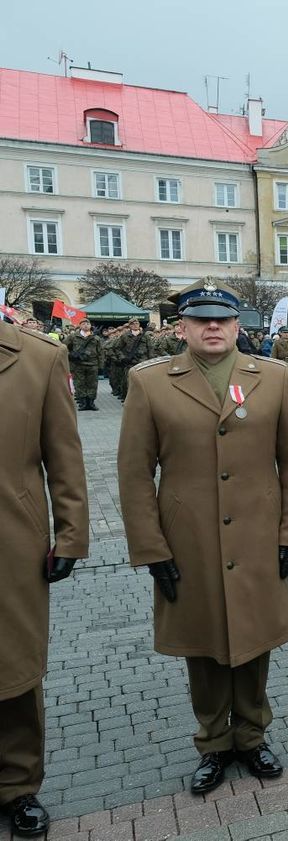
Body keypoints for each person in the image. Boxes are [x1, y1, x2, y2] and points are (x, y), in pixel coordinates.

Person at [117, 281, 288, 794]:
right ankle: (213, 742)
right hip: (190, 539)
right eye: (201, 320)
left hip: (257, 533)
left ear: (236, 326)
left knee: (255, 637)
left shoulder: (272, 376)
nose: (212, 328)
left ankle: (252, 736)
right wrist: (151, 548)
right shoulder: (152, 382)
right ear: (181, 327)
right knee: (202, 645)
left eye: (222, 320)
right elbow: (135, 473)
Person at [0, 315, 89, 837]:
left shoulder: (37, 358)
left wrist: (71, 534)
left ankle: (17, 786)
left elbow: (64, 457)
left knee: (13, 668)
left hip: (12, 540)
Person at [64, 318, 103, 411]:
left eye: (88, 324)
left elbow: (101, 352)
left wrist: (101, 365)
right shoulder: (73, 336)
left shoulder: (96, 338)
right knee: (79, 383)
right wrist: (71, 355)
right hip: (78, 364)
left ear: (90, 326)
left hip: (92, 364)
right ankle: (83, 403)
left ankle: (91, 402)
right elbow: (63, 347)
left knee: (92, 384)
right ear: (80, 326)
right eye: (83, 324)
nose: (86, 325)